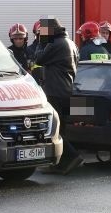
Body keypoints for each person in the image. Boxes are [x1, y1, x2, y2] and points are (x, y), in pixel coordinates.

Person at [36, 17, 84, 175]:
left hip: (54, 92)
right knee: (61, 127)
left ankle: (73, 156)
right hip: (67, 90)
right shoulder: (71, 43)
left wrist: (41, 41)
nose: (41, 35)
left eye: (43, 32)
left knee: (54, 129)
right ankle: (61, 164)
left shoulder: (55, 44)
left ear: (50, 31)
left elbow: (39, 59)